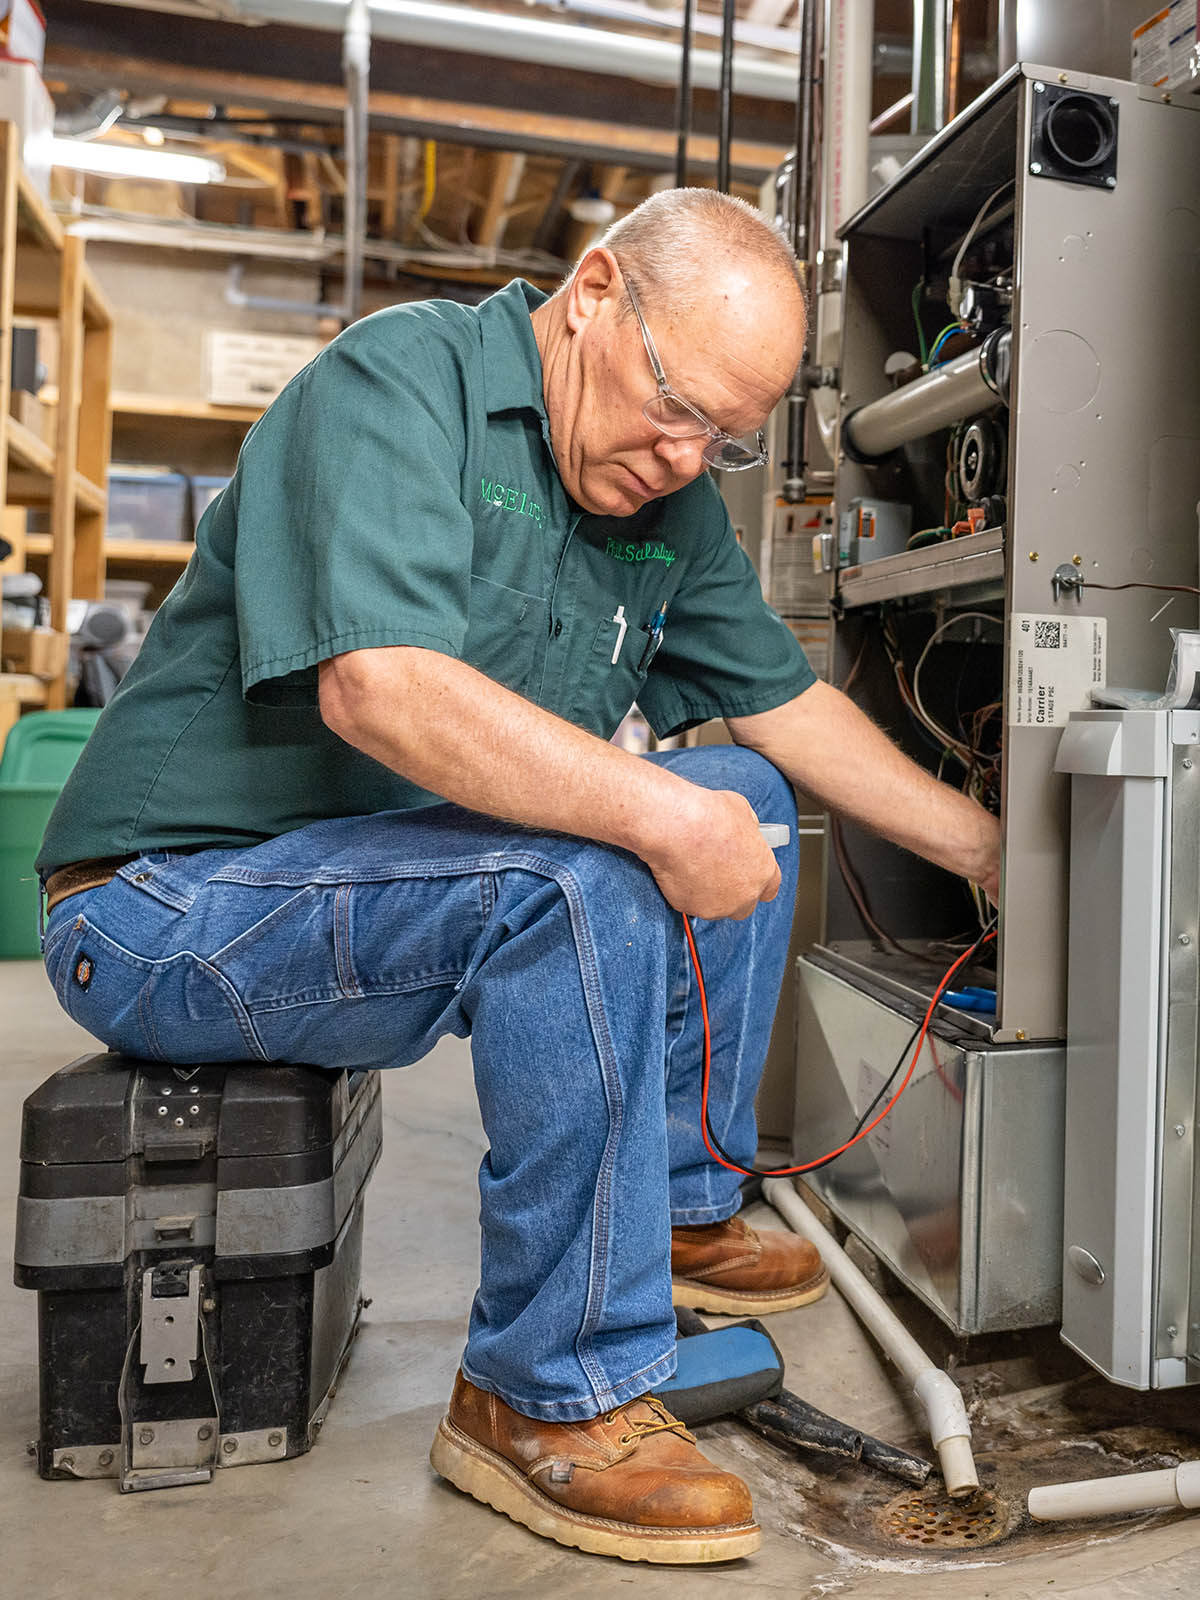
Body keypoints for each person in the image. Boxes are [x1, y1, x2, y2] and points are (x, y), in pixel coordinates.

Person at [37, 188, 1000, 1565]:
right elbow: (381, 690)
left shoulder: (664, 496)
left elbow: (787, 713)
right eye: (674, 406)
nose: (685, 458)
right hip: (167, 907)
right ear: (595, 292)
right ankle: (545, 1390)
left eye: (720, 437)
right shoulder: (400, 382)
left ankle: (673, 1217)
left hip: (364, 885)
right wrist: (651, 821)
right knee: (590, 864)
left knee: (744, 794)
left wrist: (984, 847)